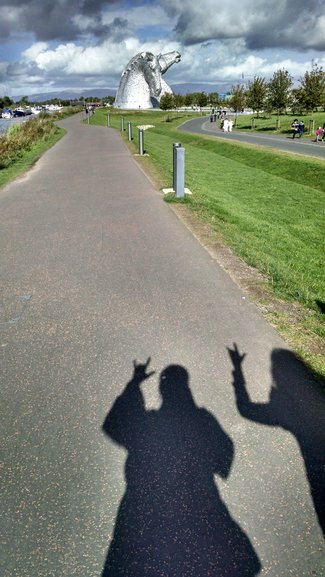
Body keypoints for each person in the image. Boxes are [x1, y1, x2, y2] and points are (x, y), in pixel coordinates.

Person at [101, 359, 261, 577]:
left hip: (143, 507)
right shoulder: (202, 419)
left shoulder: (148, 422)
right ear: (187, 387)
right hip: (198, 502)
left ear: (160, 390)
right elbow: (226, 455)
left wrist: (134, 384)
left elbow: (112, 425)